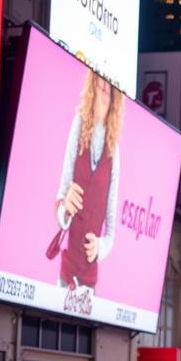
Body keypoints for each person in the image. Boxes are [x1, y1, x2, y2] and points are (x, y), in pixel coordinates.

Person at [55, 70, 124, 291]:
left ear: (114, 99)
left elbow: (111, 234)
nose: (104, 91)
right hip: (66, 272)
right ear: (91, 88)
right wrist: (65, 206)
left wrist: (99, 247)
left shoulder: (114, 152)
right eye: (100, 86)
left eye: (109, 90)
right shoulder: (79, 123)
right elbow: (61, 199)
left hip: (89, 281)